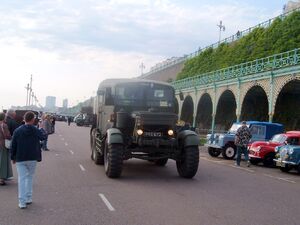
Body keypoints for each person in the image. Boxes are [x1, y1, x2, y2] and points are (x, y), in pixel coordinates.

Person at [11, 111, 46, 209]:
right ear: (33, 120)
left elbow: (13, 144)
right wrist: (41, 127)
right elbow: (43, 136)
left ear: (24, 119)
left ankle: (22, 202)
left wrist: (12, 157)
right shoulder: (35, 130)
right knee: (30, 177)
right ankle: (28, 198)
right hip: (32, 157)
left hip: (20, 157)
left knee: (21, 179)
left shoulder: (17, 130)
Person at [0, 112, 13, 185]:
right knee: (2, 161)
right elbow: (7, 135)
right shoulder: (3, 125)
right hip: (2, 145)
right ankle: (1, 178)